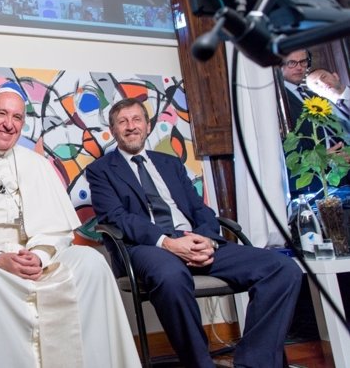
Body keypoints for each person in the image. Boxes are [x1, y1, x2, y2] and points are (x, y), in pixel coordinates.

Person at [0, 87, 141, 368]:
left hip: (34, 254)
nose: (9, 124)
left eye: (17, 117)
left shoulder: (38, 164)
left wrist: (41, 254)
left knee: (91, 262)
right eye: (1, 114)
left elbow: (58, 230)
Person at [86, 97, 302, 368]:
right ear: (114, 130)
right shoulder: (100, 170)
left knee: (283, 268)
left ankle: (254, 362)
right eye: (123, 122)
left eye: (137, 119)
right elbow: (116, 217)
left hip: (195, 239)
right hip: (147, 248)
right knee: (170, 276)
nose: (131, 126)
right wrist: (166, 242)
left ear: (148, 126)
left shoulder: (169, 163)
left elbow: (199, 209)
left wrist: (207, 239)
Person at [280, 50, 350, 195]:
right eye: (292, 63)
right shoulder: (278, 99)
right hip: (317, 184)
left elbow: (337, 128)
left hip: (343, 171)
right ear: (279, 66)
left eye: (303, 62)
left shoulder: (313, 95)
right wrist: (321, 157)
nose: (299, 67)